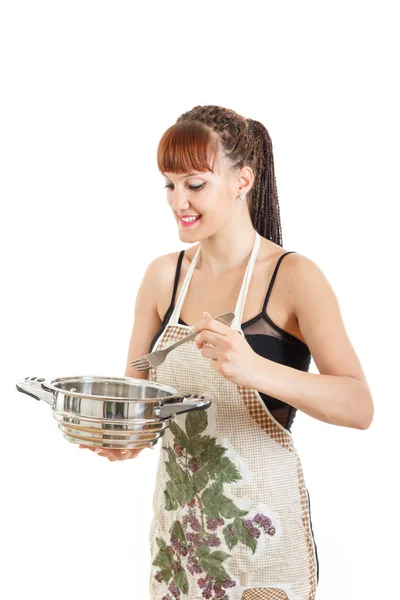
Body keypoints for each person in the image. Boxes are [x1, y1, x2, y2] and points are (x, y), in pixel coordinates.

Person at [80, 105, 374, 599]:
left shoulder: (295, 278)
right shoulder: (161, 278)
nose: (179, 201)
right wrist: (122, 437)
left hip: (263, 542)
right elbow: (138, 405)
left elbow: (359, 406)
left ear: (242, 180)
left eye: (195, 184)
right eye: (169, 185)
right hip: (181, 546)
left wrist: (256, 369)